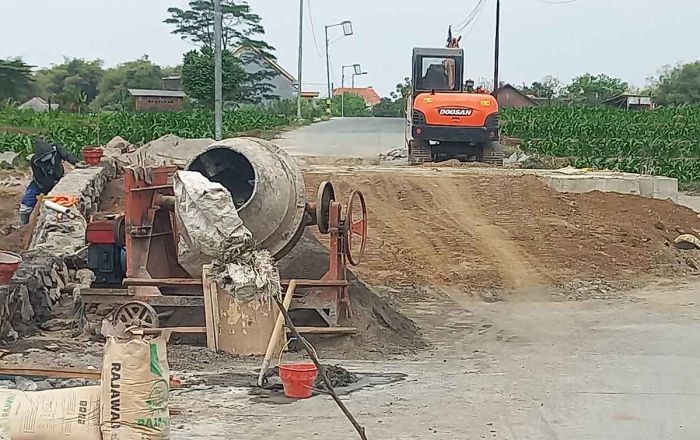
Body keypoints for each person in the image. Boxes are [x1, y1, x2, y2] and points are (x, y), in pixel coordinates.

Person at [18, 138, 84, 225]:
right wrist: (49, 187)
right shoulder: (35, 162)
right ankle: (23, 227)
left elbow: (67, 155)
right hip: (39, 184)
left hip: (57, 179)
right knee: (25, 207)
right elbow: (40, 179)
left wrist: (76, 162)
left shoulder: (56, 149)